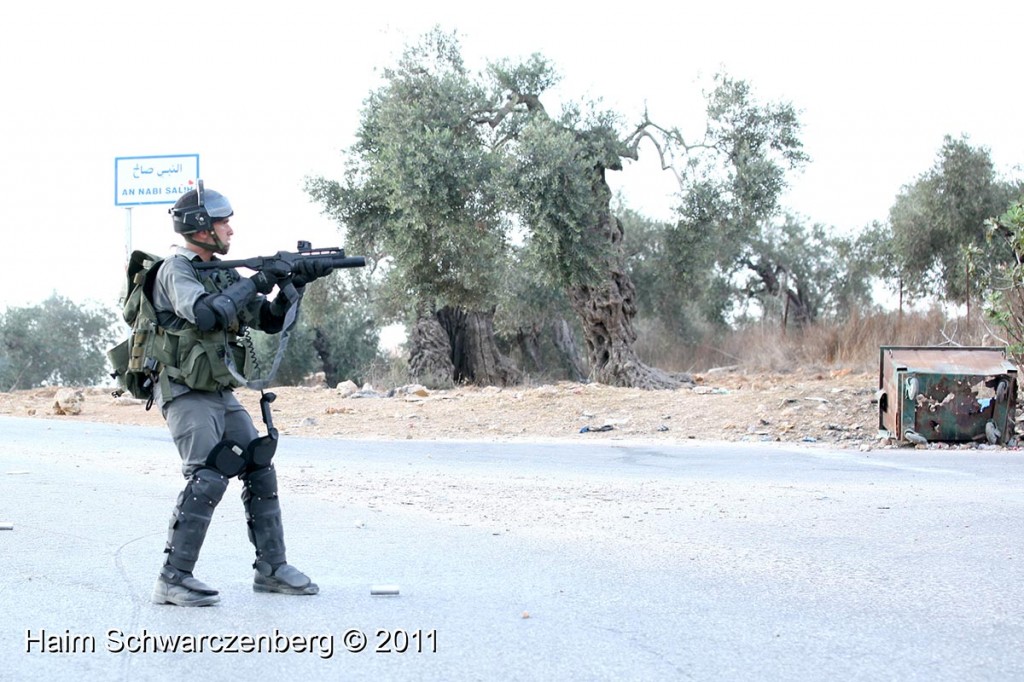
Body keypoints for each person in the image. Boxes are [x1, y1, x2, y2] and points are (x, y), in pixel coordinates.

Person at [149, 182, 329, 607]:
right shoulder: (176, 269)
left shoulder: (222, 273)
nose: (231, 228)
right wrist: (258, 280)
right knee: (208, 474)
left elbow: (266, 319)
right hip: (186, 391)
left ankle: (271, 569)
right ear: (200, 227)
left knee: (257, 462)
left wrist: (293, 286)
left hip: (218, 390)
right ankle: (172, 578)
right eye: (222, 220)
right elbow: (206, 313)